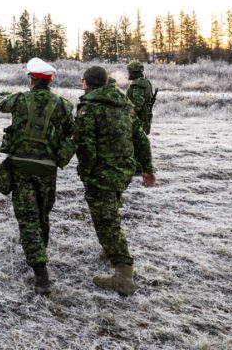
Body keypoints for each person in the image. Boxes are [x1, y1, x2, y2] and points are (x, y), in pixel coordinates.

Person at [75, 65, 157, 296]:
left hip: (102, 174)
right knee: (111, 211)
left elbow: (86, 146)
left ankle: (123, 273)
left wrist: (86, 172)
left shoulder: (89, 107)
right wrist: (148, 168)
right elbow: (140, 138)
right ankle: (109, 250)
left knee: (106, 220)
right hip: (123, 172)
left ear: (87, 83)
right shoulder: (124, 104)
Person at [0, 57, 75, 294]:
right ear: (50, 81)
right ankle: (39, 250)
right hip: (47, 169)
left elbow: (1, 105)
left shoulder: (19, 99)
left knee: (28, 217)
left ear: (31, 80)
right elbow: (70, 130)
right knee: (42, 214)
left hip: (21, 168)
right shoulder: (63, 104)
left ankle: (41, 274)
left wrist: (10, 94)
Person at [126, 61, 154, 134]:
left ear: (134, 72)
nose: (128, 74)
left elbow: (137, 104)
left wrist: (127, 117)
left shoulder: (138, 84)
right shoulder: (144, 81)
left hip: (138, 120)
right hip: (142, 119)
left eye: (130, 72)